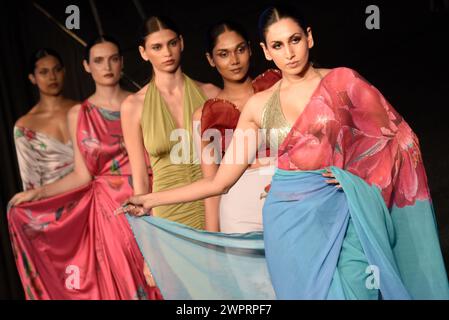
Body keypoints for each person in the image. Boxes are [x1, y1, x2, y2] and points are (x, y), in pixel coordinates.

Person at [122, 5, 449, 300]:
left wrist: (354, 179)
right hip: (288, 225)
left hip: (346, 214)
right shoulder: (258, 105)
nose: (289, 52)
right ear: (265, 51)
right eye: (277, 45)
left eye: (294, 39)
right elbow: (219, 183)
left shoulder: (342, 81)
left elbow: (399, 140)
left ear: (309, 38)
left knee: (357, 288)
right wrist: (149, 200)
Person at [8, 36, 162, 300]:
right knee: (129, 283)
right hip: (111, 211)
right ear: (87, 66)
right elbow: (82, 175)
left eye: (113, 59)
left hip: (153, 200)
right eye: (98, 61)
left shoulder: (143, 101)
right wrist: (39, 193)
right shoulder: (79, 113)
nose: (107, 67)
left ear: (122, 62)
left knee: (161, 277)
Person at [120, 15, 220, 231]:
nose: (167, 53)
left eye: (172, 43)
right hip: (168, 212)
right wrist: (148, 234)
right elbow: (140, 179)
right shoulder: (133, 106)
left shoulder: (212, 94)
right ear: (143, 53)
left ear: (181, 43)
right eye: (157, 47)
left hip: (216, 204)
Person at [196, 20, 281, 232]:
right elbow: (211, 183)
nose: (234, 60)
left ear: (251, 50)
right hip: (238, 209)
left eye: (240, 50)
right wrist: (212, 244)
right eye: (223, 54)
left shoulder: (278, 86)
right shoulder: (205, 115)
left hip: (288, 194)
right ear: (211, 59)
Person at [14, 48, 77, 191]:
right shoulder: (24, 126)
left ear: (64, 71)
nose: (52, 77)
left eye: (57, 69)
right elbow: (30, 182)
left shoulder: (83, 109)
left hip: (92, 196)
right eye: (44, 72)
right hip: (53, 203)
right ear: (32, 78)